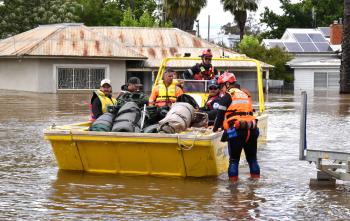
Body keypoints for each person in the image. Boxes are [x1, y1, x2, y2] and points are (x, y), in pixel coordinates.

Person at [213, 71, 260, 182]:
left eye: (221, 86)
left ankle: (233, 189)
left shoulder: (227, 96)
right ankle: (255, 183)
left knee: (234, 161)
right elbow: (249, 113)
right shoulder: (244, 94)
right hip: (252, 129)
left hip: (237, 130)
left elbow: (219, 116)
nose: (221, 89)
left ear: (227, 84)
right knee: (252, 159)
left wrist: (215, 129)